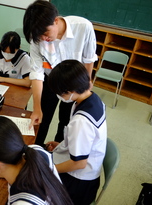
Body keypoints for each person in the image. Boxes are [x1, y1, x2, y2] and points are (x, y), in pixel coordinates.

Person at [23, 0, 98, 146]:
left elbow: (89, 59)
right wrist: (36, 107)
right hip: (49, 80)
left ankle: (57, 150)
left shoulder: (83, 27)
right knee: (41, 119)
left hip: (73, 85)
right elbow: (37, 74)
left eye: (45, 33)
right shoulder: (37, 39)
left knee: (66, 122)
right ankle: (35, 150)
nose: (44, 39)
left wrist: (86, 84)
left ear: (56, 21)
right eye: (39, 37)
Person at [45, 60, 107, 205]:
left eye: (58, 93)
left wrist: (50, 170)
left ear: (70, 91)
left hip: (79, 184)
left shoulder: (81, 121)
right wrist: (64, 144)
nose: (57, 96)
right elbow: (86, 141)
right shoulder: (92, 98)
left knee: (36, 181)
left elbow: (79, 163)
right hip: (85, 169)